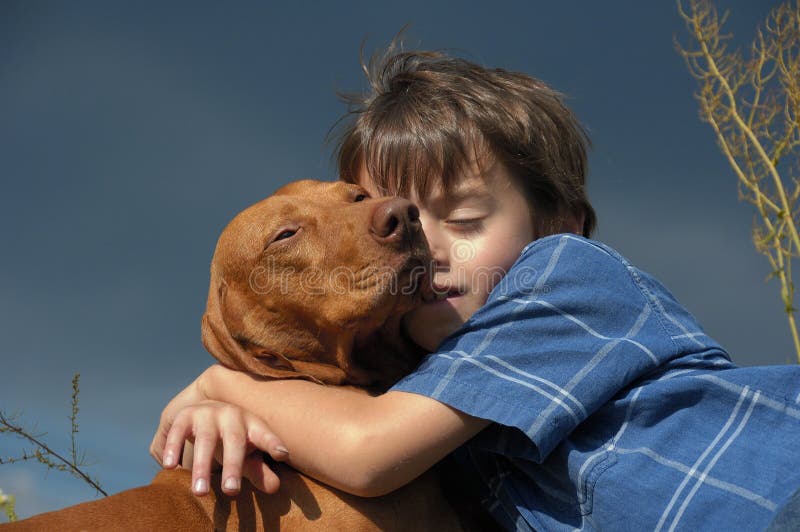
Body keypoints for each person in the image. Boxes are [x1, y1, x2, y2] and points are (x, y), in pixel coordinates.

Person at [150, 45, 800, 531]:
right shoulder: (442, 414)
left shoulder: (566, 280)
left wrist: (223, 386)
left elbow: (367, 448)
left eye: (462, 219)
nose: (415, 238)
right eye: (391, 211)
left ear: (564, 222)